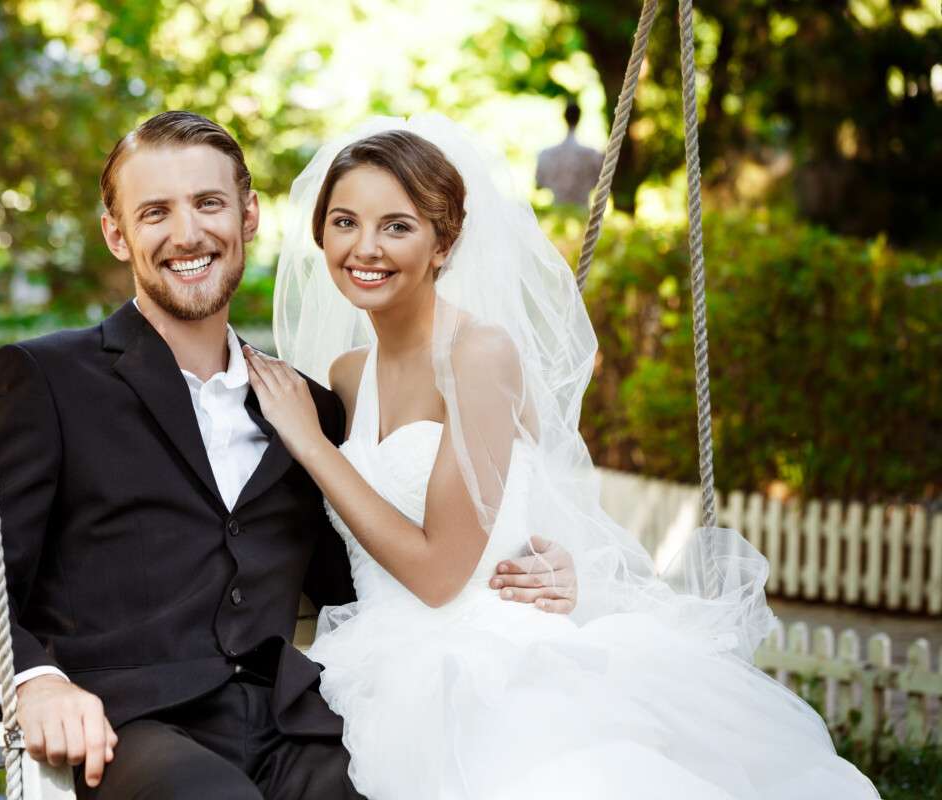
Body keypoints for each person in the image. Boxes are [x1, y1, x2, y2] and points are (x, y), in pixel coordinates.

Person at [0, 110, 577, 800]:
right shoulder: (49, 379)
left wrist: (523, 568)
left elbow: (363, 564)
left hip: (291, 727)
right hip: (134, 729)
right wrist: (37, 682)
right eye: (155, 213)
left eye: (208, 204)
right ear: (117, 234)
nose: (188, 233)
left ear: (249, 216)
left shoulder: (309, 411)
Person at [248, 115, 881, 799]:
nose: (365, 247)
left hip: (480, 664)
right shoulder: (345, 375)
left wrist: (311, 443)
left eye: (396, 226)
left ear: (443, 242)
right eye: (345, 222)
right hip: (371, 656)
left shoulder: (478, 356)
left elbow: (439, 575)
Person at [535, 99, 604, 208]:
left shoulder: (547, 154)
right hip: (583, 212)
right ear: (579, 118)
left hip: (557, 210)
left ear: (564, 117)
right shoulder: (592, 155)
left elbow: (539, 183)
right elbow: (600, 183)